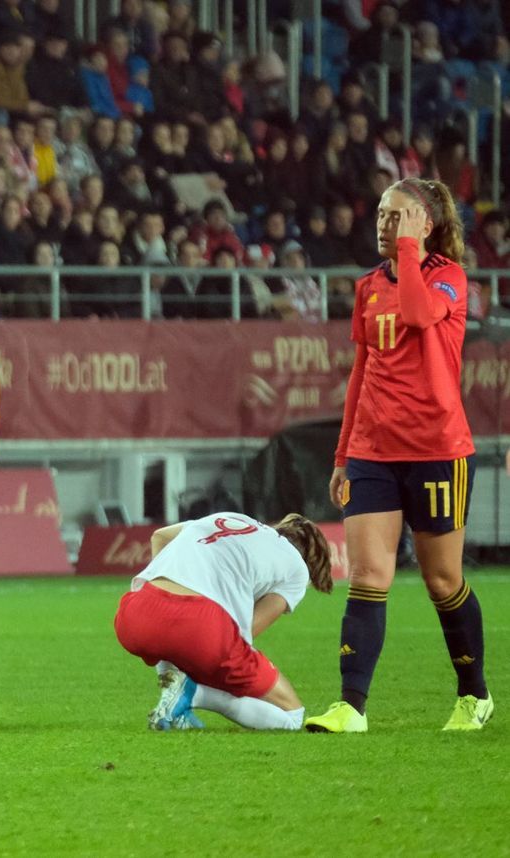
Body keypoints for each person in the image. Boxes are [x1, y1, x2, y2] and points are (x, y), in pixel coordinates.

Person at [305, 177, 493, 734]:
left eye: (398, 216)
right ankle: (351, 706)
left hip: (438, 451)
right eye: (383, 215)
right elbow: (361, 374)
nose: (385, 225)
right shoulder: (367, 287)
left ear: (425, 224)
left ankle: (474, 695)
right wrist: (343, 454)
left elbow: (415, 314)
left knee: (442, 581)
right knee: (367, 575)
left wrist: (411, 252)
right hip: (372, 452)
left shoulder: (449, 279)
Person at [115, 513, 333, 731]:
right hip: (200, 627)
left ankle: (171, 697)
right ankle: (193, 694)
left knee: (175, 639)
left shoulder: (231, 517)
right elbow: (246, 630)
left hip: (135, 614)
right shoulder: (297, 569)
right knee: (293, 716)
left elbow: (159, 536)